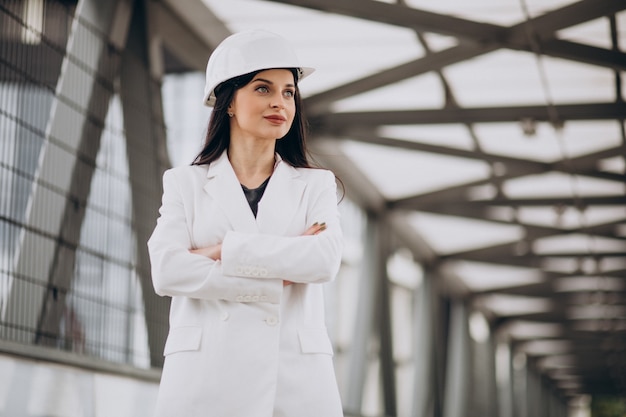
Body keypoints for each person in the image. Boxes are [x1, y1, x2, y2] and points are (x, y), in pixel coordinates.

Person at [147, 29, 344, 417]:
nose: (279, 103)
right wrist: (281, 270)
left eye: (288, 92)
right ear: (229, 102)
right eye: (262, 89)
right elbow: (166, 270)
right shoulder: (185, 183)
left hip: (295, 382)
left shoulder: (315, 184)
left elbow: (323, 260)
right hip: (205, 379)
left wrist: (223, 251)